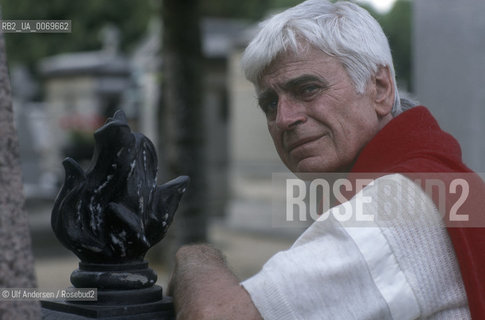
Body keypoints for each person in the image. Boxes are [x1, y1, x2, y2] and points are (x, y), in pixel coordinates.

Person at [168, 1, 485, 319]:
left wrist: (195, 256)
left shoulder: (398, 207)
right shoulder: (437, 181)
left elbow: (215, 315)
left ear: (380, 88)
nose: (283, 119)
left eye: (308, 89)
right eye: (269, 104)